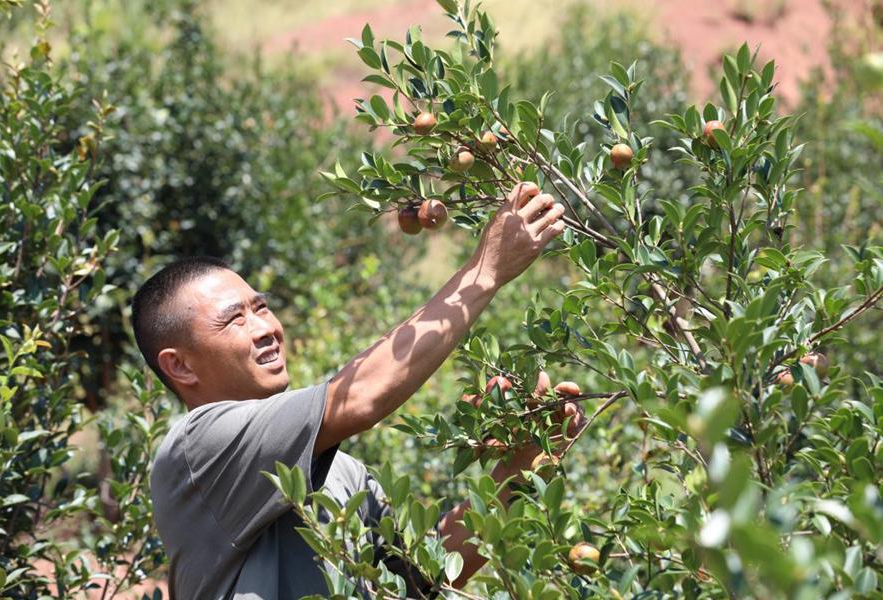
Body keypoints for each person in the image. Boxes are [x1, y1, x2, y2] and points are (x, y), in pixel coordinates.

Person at [132, 182, 585, 599]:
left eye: (262, 307)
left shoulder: (342, 472)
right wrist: (485, 270)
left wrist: (518, 467)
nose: (265, 329)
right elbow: (360, 396)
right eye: (236, 319)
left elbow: (426, 571)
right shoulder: (197, 447)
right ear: (181, 365)